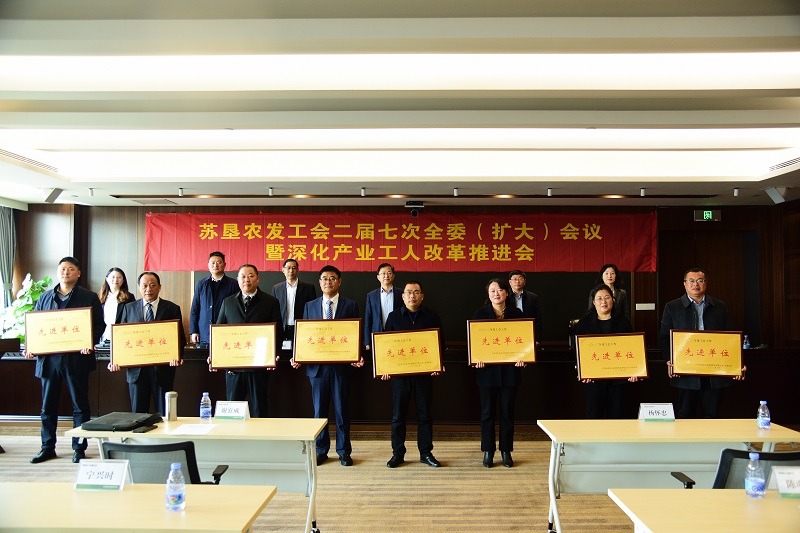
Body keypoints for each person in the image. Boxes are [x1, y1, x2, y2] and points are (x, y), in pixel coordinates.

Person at [23, 256, 104, 464]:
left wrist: (90, 341)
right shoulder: (44, 297)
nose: (65, 272)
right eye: (62, 269)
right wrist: (32, 347)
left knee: (80, 406)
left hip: (77, 359)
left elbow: (99, 325)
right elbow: (37, 326)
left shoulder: (89, 297)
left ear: (78, 273)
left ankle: (79, 448)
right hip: (49, 361)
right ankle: (47, 447)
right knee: (47, 407)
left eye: (70, 269)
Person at [291, 265, 362, 467]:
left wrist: (356, 355)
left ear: (339, 281)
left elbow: (354, 334)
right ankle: (321, 450)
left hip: (341, 368)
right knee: (319, 412)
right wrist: (298, 355)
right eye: (324, 278)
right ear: (319, 282)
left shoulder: (351, 305)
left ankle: (344, 451)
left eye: (332, 278)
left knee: (341, 411)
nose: (328, 282)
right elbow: (304, 335)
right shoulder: (309, 306)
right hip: (317, 368)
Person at [659, 268, 745, 419]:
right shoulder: (672, 307)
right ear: (685, 284)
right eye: (691, 281)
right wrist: (669, 360)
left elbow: (730, 337)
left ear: (706, 283)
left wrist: (737, 363)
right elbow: (665, 337)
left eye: (700, 281)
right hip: (685, 371)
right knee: (685, 416)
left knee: (711, 416)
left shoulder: (719, 306)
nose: (695, 284)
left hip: (714, 372)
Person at [382, 281, 444, 468]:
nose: (412, 295)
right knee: (398, 416)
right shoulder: (394, 317)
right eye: (408, 292)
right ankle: (398, 454)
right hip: (400, 377)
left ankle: (425, 453)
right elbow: (386, 345)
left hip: (424, 375)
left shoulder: (432, 316)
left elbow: (440, 342)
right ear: (403, 296)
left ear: (422, 296)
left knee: (425, 415)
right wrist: (385, 368)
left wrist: (438, 364)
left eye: (416, 292)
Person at [108, 272, 185, 414]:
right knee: (138, 414)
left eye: (152, 285)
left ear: (159, 287)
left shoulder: (172, 308)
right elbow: (120, 337)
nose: (148, 289)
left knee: (165, 413)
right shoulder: (128, 308)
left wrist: (177, 356)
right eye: (144, 285)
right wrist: (115, 359)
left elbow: (179, 338)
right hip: (136, 371)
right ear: (139, 287)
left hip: (163, 370)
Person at [214, 264, 283, 418]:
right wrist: (215, 356)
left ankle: (260, 434)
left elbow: (278, 332)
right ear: (238, 280)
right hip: (234, 367)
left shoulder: (270, 302)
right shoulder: (228, 302)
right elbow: (219, 332)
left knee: (259, 408)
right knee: (233, 409)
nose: (247, 280)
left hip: (259, 366)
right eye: (243, 276)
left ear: (258, 279)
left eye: (251, 276)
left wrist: (274, 354)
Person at [472, 278, 526, 468]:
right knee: (487, 413)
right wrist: (476, 358)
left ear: (506, 293)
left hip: (510, 372)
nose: (497, 294)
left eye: (500, 290)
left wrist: (523, 357)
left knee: (507, 413)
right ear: (488, 294)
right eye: (493, 291)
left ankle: (506, 450)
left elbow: (523, 341)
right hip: (486, 372)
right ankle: (488, 450)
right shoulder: (480, 314)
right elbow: (475, 341)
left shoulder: (517, 314)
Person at [575, 284, 637, 419]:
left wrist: (634, 371)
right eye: (599, 298)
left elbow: (632, 348)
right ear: (593, 302)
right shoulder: (584, 323)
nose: (603, 301)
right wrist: (583, 371)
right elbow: (577, 351)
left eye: (607, 297)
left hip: (618, 380)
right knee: (594, 416)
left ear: (613, 300)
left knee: (617, 417)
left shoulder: (623, 322)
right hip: (593, 380)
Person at [190, 251, 239, 345]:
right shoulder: (202, 284)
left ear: (225, 265)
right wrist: (194, 331)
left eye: (219, 262)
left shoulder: (233, 284)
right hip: (204, 332)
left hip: (226, 331)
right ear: (208, 265)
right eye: (212, 263)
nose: (215, 265)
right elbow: (195, 308)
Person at [271, 258, 317, 344]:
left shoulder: (308, 288)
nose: (291, 271)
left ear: (298, 270)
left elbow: (312, 310)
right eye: (288, 268)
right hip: (282, 328)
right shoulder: (276, 288)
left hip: (301, 327)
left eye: (294, 268)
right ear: (283, 270)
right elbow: (273, 310)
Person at [364, 263, 403, 350]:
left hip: (397, 335)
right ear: (378, 277)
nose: (386, 276)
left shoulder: (401, 294)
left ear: (393, 276)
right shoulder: (371, 295)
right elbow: (368, 319)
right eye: (383, 273)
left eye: (389, 273)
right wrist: (367, 342)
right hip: (377, 335)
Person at [97, 267, 134, 343]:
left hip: (121, 336)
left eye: (119, 277)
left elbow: (132, 318)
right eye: (113, 277)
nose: (116, 280)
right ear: (107, 279)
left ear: (123, 280)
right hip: (102, 336)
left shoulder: (129, 297)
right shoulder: (99, 297)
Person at [508, 270, 543, 341]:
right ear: (510, 282)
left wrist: (537, 339)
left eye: (520, 279)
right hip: (509, 332)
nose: (517, 281)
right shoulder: (505, 296)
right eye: (515, 279)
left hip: (528, 332)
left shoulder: (532, 297)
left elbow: (538, 319)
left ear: (524, 282)